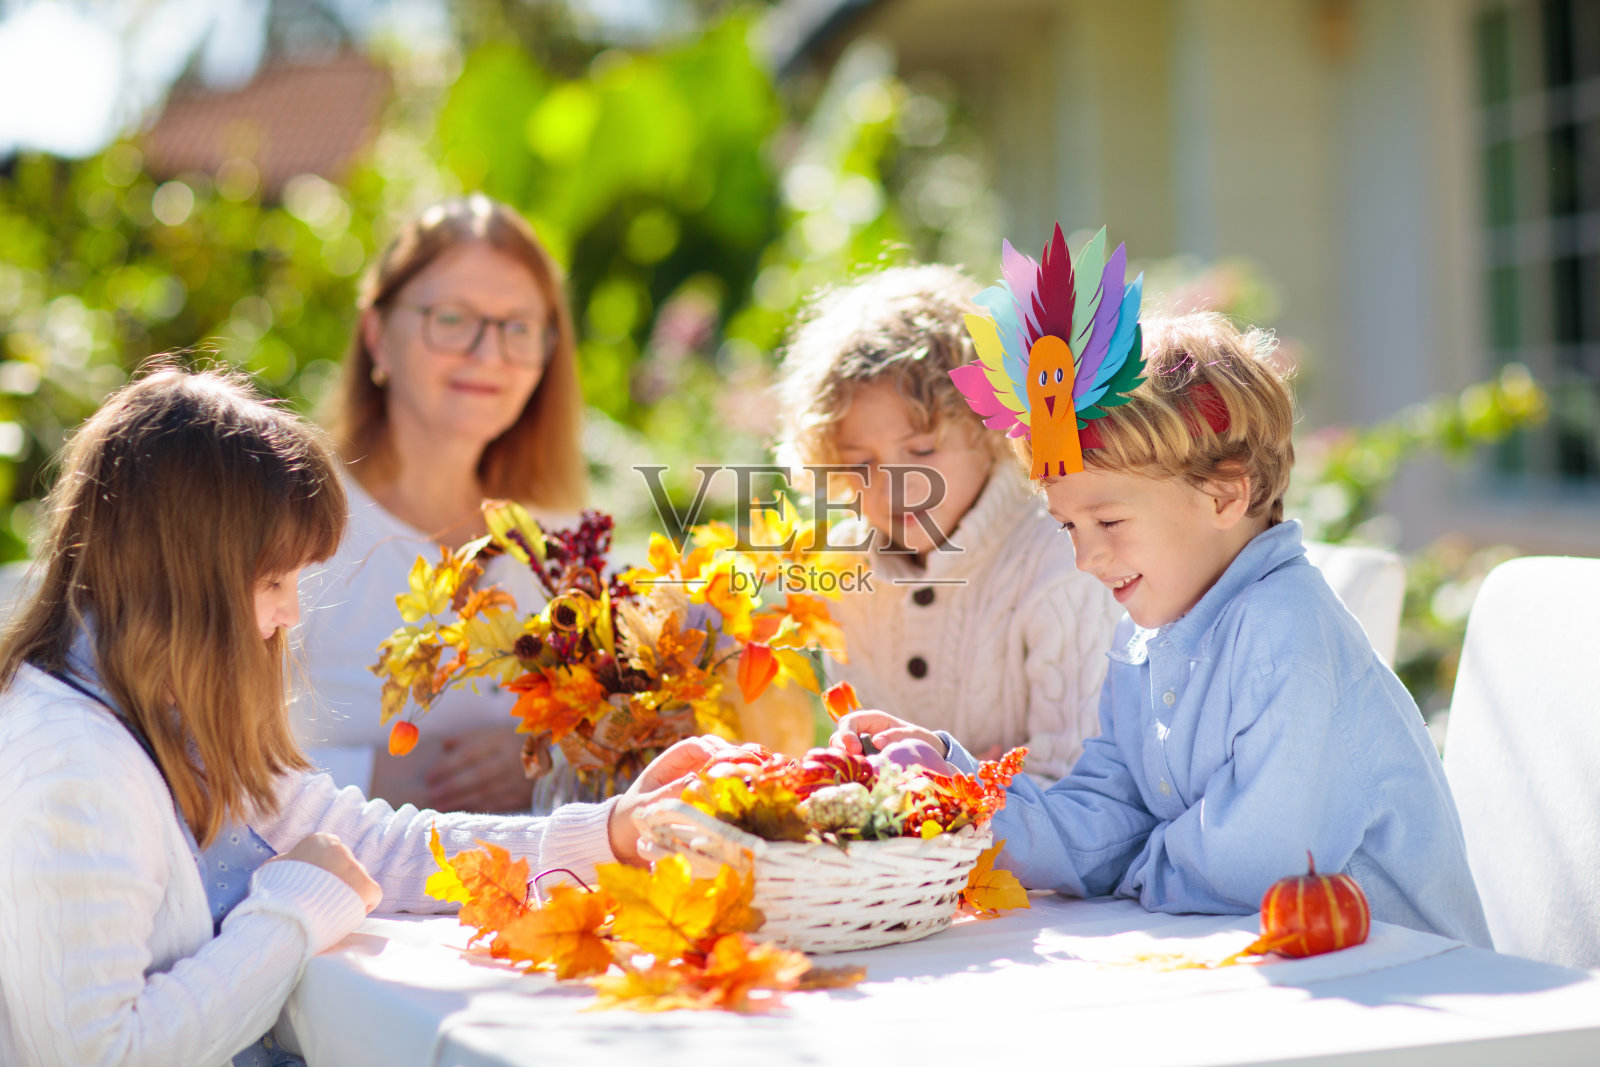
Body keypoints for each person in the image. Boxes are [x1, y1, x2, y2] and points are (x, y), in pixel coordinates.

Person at [0, 367, 716, 1067]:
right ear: (184, 581)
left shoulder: (158, 715)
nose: (289, 612)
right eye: (273, 581)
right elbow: (97, 1052)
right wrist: (290, 912)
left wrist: (611, 832)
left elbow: (373, 845)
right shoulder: (75, 766)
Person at [835, 310, 1492, 946]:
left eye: (1109, 522)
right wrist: (957, 786)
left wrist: (1130, 864)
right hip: (1275, 980)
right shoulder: (1142, 640)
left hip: (1410, 986)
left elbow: (1250, 869)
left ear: (1223, 495)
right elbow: (1093, 827)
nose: (1085, 558)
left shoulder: (1285, 629)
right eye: (1068, 526)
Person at [774, 264, 1121, 781]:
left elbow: (1077, 788)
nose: (896, 484)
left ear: (989, 432)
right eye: (861, 463)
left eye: (921, 449)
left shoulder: (1061, 560)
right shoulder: (844, 574)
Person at [300, 193, 587, 812]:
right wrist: (365, 775)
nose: (488, 355)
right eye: (452, 319)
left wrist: (545, 758)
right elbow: (183, 758)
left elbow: (631, 750)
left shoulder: (572, 550)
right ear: (377, 335)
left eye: (518, 328)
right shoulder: (286, 532)